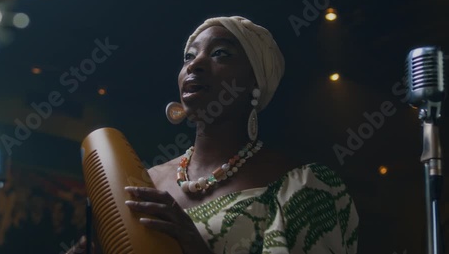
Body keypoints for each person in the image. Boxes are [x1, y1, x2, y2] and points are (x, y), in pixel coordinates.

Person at [68, 16, 359, 254]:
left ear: (255, 81)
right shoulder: (147, 181)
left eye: (220, 53)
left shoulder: (301, 188)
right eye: (189, 56)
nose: (195, 64)